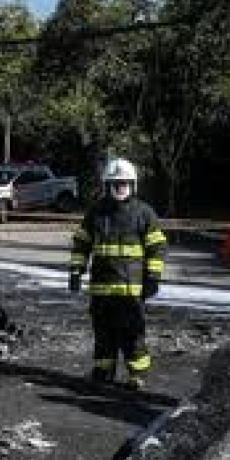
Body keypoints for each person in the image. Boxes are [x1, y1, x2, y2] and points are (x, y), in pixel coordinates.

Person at [69, 157, 167, 389]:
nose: (120, 187)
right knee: (103, 333)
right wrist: (75, 270)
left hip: (131, 290)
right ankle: (103, 370)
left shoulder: (144, 213)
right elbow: (82, 242)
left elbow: (157, 246)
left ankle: (137, 375)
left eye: (124, 183)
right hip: (102, 289)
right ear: (107, 185)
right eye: (115, 183)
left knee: (132, 333)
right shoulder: (96, 212)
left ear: (132, 185)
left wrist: (153, 276)